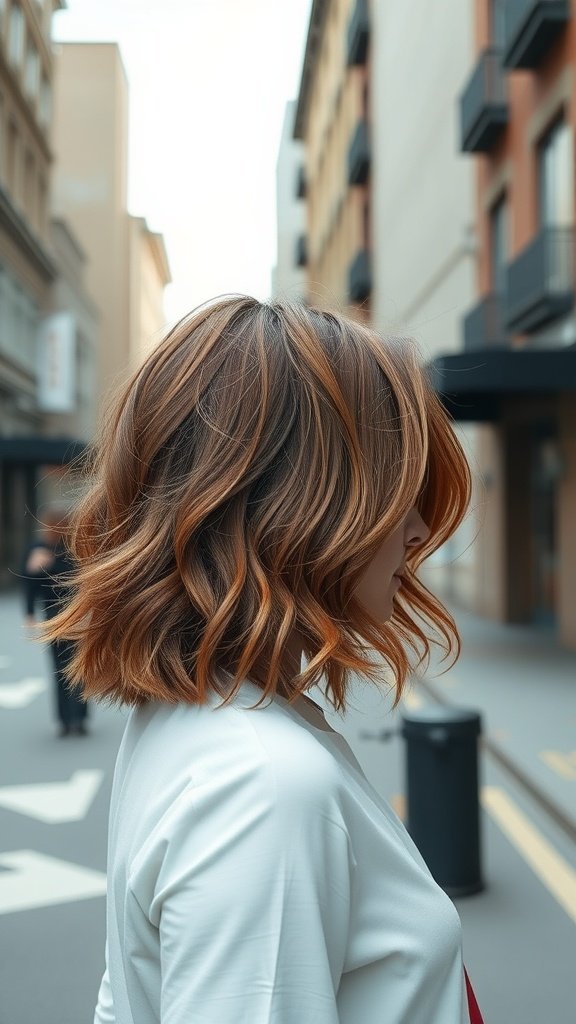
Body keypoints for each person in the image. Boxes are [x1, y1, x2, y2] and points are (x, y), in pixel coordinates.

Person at [43, 297, 483, 1023]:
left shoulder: (202, 717)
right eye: (395, 490)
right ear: (295, 504)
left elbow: (126, 997)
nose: (419, 529)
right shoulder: (262, 785)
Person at [23, 505, 89, 737]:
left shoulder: (73, 548)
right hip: (64, 615)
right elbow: (30, 582)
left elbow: (79, 576)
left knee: (69, 668)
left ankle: (74, 719)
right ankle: (70, 719)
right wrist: (29, 612)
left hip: (70, 614)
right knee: (67, 668)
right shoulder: (39, 548)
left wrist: (46, 564)